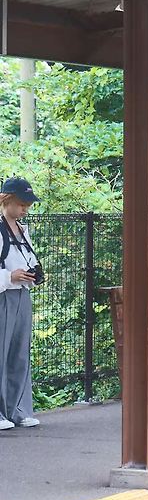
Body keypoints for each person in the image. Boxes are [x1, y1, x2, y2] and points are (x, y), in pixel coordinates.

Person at [0, 177, 42, 430]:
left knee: (19, 354)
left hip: (22, 296)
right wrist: (9, 277)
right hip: (3, 295)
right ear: (6, 200)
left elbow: (27, 261)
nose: (26, 208)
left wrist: (33, 275)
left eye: (28, 205)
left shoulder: (23, 231)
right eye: (22, 203)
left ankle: (18, 411)